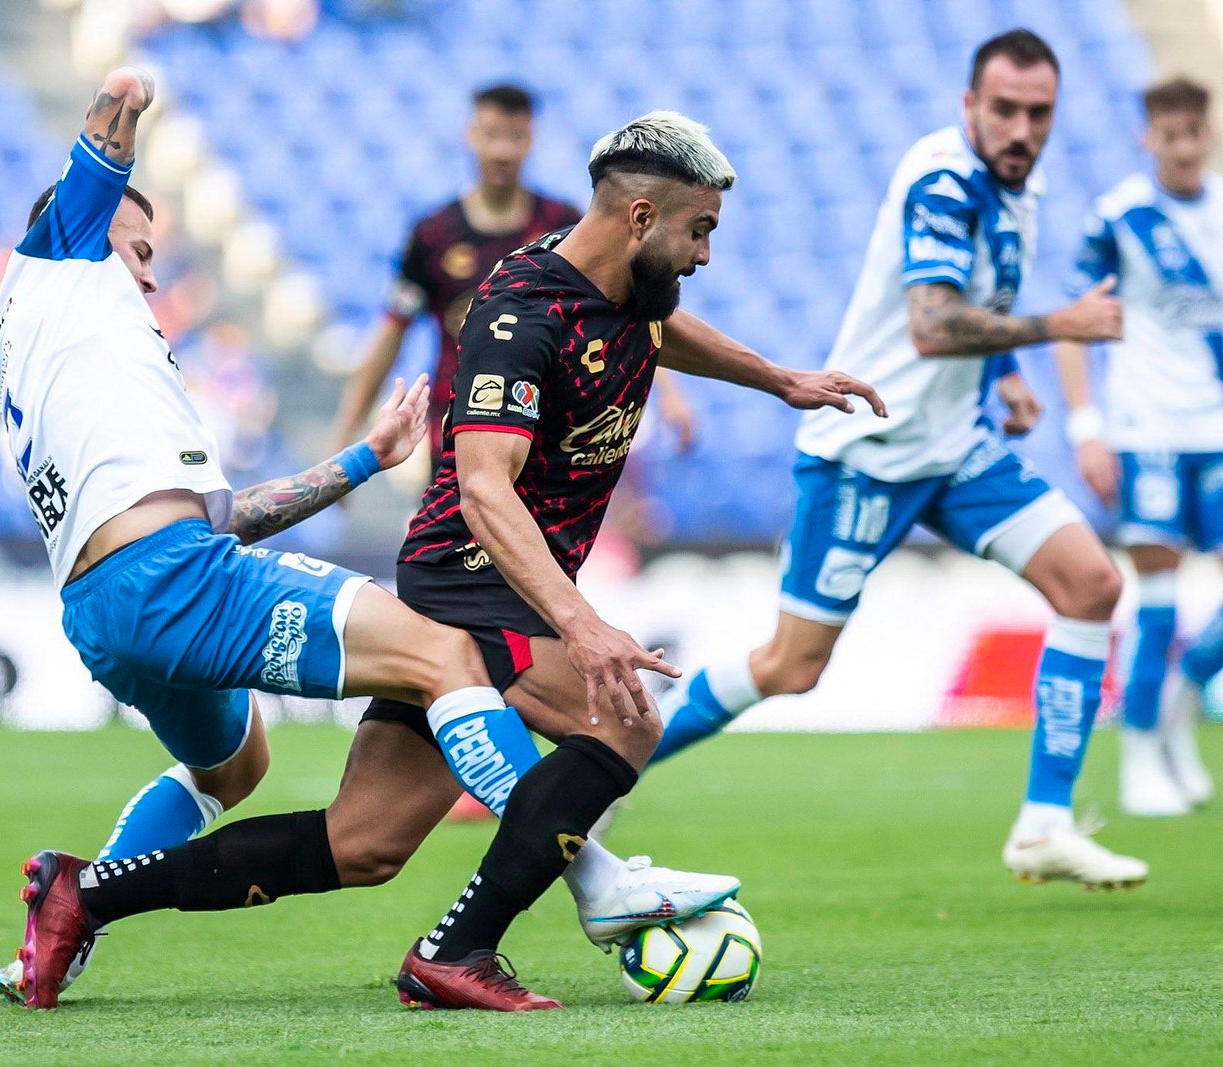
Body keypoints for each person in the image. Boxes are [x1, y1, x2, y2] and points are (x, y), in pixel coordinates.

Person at [5, 105, 883, 1012]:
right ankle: (461, 947)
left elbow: (657, 332)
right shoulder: (517, 317)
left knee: (364, 842)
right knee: (624, 721)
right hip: (474, 573)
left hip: (505, 575)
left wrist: (781, 379)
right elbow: (483, 490)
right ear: (640, 219)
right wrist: (583, 627)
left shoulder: (631, 286)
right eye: (699, 231)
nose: (704, 255)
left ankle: (88, 891)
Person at [644, 29, 1146, 890]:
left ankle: (1044, 826)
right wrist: (1057, 328)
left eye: (1039, 113)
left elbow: (976, 299)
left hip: (954, 450)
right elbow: (931, 322)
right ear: (968, 107)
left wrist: (1011, 371)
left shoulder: (1014, 181)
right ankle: (614, 762)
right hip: (867, 451)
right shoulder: (943, 180)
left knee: (1092, 585)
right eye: (1006, 110)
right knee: (790, 667)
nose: (1023, 128)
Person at [328, 83, 694, 465]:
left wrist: (670, 392)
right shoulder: (432, 235)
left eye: (515, 137)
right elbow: (391, 332)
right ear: (470, 137)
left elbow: (626, 309)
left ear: (531, 141)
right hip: (456, 432)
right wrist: (345, 437)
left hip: (547, 434)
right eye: (491, 136)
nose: (502, 151)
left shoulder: (565, 226)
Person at [1053, 75, 1221, 817]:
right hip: (1149, 430)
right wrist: (1087, 426)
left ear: (1209, 134)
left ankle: (1182, 702)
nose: (1184, 148)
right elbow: (1075, 321)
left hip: (1216, 428)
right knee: (1156, 600)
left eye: (1195, 133)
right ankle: (1142, 756)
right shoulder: (1120, 218)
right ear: (1147, 138)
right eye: (1170, 135)